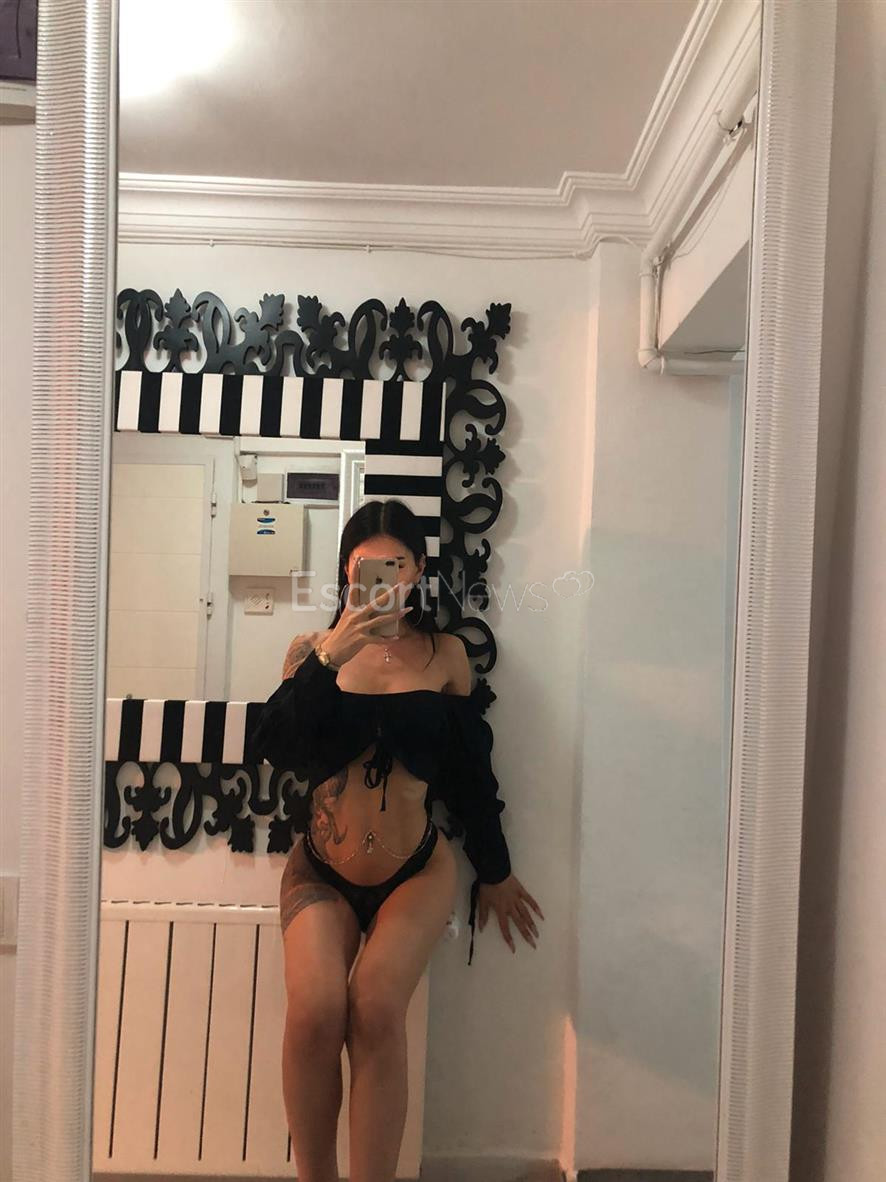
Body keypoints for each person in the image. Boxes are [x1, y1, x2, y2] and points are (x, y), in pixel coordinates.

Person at [251, 498, 543, 1182]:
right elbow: (276, 747)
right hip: (321, 869)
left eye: (397, 565)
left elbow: (471, 774)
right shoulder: (311, 652)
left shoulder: (446, 655)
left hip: (415, 870)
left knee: (377, 1008)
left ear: (418, 570)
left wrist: (495, 869)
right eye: (365, 568)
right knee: (316, 1011)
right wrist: (331, 656)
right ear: (345, 573)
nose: (383, 580)